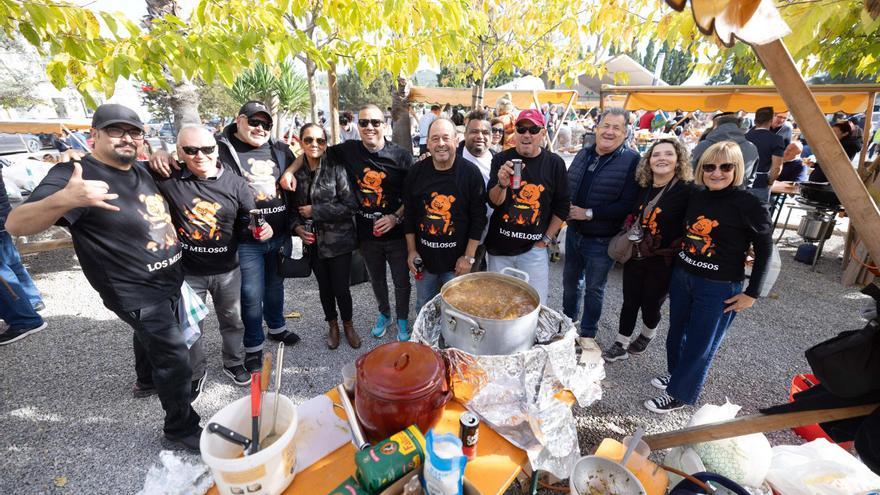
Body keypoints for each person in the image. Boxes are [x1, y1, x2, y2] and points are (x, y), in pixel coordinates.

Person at [6, 104, 201, 450]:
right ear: (93, 135)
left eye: (134, 132)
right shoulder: (75, 174)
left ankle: (146, 381)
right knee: (175, 358)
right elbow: (17, 223)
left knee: (149, 339)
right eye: (116, 130)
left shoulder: (139, 169)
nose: (127, 138)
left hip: (168, 280)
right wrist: (65, 199)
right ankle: (181, 427)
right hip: (135, 291)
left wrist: (158, 154)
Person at [151, 101, 301, 372]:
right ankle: (253, 347)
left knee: (275, 287)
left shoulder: (279, 148)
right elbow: (189, 152)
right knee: (250, 295)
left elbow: (297, 171)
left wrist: (290, 174)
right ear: (239, 120)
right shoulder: (218, 147)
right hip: (245, 240)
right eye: (253, 122)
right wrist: (160, 152)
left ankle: (277, 327)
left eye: (265, 123)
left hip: (278, 234)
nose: (259, 128)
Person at [644, 141, 772, 414]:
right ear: (701, 169)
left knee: (701, 342)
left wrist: (753, 292)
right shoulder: (697, 195)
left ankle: (679, 393)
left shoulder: (749, 203)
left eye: (726, 167)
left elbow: (764, 249)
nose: (717, 173)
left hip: (718, 286)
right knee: (676, 333)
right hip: (684, 275)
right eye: (710, 167)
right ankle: (677, 375)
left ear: (737, 169)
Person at [281, 104, 413, 341]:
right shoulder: (348, 150)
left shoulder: (401, 155)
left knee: (401, 280)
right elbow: (312, 151)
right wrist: (290, 171)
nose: (369, 127)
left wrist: (396, 217)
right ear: (357, 126)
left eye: (374, 122)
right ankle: (385, 314)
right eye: (363, 123)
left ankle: (402, 319)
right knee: (377, 279)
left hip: (396, 231)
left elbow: (413, 194)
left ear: (384, 124)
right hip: (366, 231)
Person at [151, 126, 255, 387]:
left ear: (216, 149)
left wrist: (262, 229)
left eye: (207, 149)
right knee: (190, 326)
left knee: (233, 320)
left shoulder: (235, 183)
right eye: (191, 150)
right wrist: (157, 152)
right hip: (188, 272)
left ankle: (233, 362)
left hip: (228, 270)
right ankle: (196, 372)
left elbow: (251, 221)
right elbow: (125, 168)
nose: (200, 155)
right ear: (180, 153)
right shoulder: (169, 177)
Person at [603, 139, 693, 362]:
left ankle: (647, 334)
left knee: (651, 303)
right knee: (630, 300)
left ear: (678, 160)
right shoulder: (643, 186)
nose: (661, 158)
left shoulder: (688, 190)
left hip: (664, 260)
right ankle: (621, 342)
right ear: (649, 160)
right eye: (656, 154)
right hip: (637, 253)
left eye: (668, 154)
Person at [563, 108, 640, 339]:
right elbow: (569, 186)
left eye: (616, 128)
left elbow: (627, 204)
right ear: (596, 128)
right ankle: (567, 327)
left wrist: (588, 213)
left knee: (594, 289)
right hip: (574, 232)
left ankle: (587, 334)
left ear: (625, 133)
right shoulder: (584, 154)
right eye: (605, 125)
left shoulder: (631, 160)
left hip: (602, 238)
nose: (609, 131)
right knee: (570, 284)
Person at [484, 109, 568, 304]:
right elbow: (493, 202)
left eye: (533, 129)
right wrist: (502, 184)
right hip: (500, 250)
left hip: (534, 250)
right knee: (499, 304)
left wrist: (545, 240)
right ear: (515, 132)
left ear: (543, 133)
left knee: (533, 305)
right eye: (522, 129)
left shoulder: (554, 163)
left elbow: (562, 205)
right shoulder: (500, 159)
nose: (527, 134)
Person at [290, 124, 360, 349]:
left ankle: (348, 324)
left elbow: (351, 205)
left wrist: (316, 210)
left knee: (341, 287)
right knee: (325, 288)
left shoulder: (336, 168)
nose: (314, 145)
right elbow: (291, 209)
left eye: (320, 140)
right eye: (308, 140)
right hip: (313, 243)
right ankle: (332, 325)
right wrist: (297, 228)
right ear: (300, 142)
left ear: (326, 144)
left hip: (339, 241)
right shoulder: (295, 173)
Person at [404, 119, 486, 310]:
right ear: (428, 143)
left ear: (456, 141)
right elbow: (409, 214)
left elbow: (478, 218)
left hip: (457, 263)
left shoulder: (470, 173)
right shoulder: (416, 173)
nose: (440, 143)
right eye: (435, 138)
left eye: (446, 138)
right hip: (424, 262)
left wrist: (468, 257)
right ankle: (423, 341)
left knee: (457, 310)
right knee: (424, 307)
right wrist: (411, 251)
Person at [0, 164, 47, 345]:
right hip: (3, 214)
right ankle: (31, 301)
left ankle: (24, 319)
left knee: (3, 271)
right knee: (10, 261)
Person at [457, 110, 495, 271]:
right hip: (459, 235)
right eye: (474, 131)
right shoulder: (452, 158)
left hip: (489, 236)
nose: (480, 136)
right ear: (465, 134)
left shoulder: (499, 160)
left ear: (492, 137)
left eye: (485, 132)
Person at [691, 112, 759, 187]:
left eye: (727, 167)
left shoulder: (703, 145)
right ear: (738, 127)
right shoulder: (751, 148)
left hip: (705, 192)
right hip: (738, 192)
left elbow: (692, 170)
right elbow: (751, 179)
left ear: (717, 126)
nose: (717, 174)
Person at [745, 106, 785, 203]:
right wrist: (770, 182)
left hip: (741, 182)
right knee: (756, 216)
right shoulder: (776, 139)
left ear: (755, 121)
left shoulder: (744, 137)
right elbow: (777, 167)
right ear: (771, 120)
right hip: (760, 183)